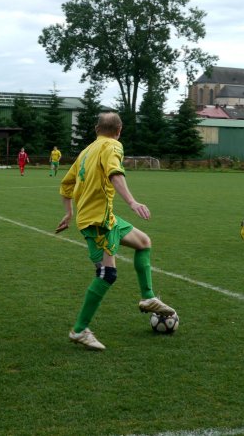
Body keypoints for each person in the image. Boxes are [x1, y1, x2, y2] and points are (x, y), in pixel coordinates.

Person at [56, 113, 176, 351]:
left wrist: (69, 213)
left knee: (143, 242)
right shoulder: (113, 145)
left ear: (96, 129)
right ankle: (80, 330)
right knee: (106, 274)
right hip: (98, 220)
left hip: (105, 217)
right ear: (119, 130)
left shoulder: (86, 151)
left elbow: (66, 184)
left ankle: (148, 297)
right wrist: (132, 202)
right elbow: (115, 173)